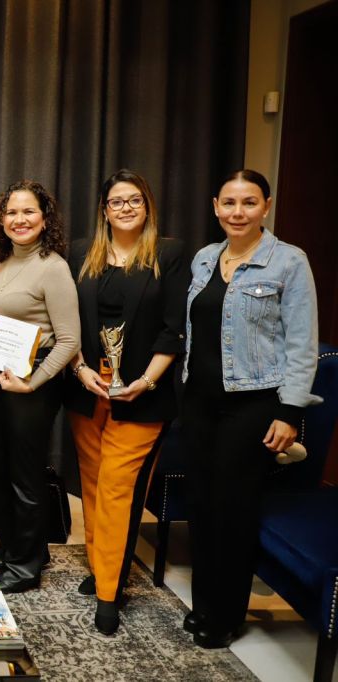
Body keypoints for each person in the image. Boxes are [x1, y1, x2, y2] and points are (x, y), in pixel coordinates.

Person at [182, 169, 318, 648]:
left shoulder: (289, 261)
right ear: (215, 207)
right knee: (202, 507)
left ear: (266, 206)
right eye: (229, 203)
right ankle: (204, 605)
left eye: (249, 202)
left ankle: (226, 615)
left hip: (254, 404)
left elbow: (302, 344)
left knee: (232, 511)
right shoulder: (204, 258)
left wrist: (291, 412)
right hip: (198, 402)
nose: (238, 212)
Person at [64, 170, 188, 635]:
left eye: (135, 200)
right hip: (88, 388)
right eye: (117, 201)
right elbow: (67, 320)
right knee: (94, 485)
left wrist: (146, 381)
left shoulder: (169, 254)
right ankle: (102, 565)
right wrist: (80, 369)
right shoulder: (81, 253)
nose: (126, 208)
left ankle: (108, 593)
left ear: (147, 205)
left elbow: (174, 328)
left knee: (117, 488)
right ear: (104, 209)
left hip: (142, 393)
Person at [0, 180, 80, 593]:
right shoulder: (3, 260)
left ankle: (25, 566)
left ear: (44, 218)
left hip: (33, 379)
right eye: (11, 212)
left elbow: (69, 340)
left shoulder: (53, 266)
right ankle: (18, 546)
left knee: (24, 474)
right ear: (1, 220)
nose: (19, 219)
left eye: (28, 211)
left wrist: (32, 383)